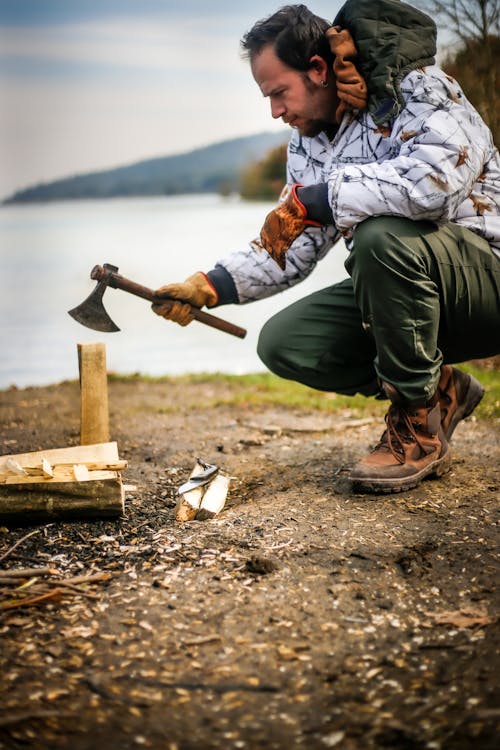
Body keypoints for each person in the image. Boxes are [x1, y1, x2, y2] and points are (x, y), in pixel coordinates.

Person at [152, 0, 500, 494]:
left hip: (487, 279)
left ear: (317, 70)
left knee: (380, 237)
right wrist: (209, 285)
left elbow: (433, 185)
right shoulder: (310, 143)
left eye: (278, 92)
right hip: (422, 296)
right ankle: (440, 388)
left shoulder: (421, 90)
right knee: (285, 342)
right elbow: (291, 245)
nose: (275, 111)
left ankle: (416, 426)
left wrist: (323, 197)